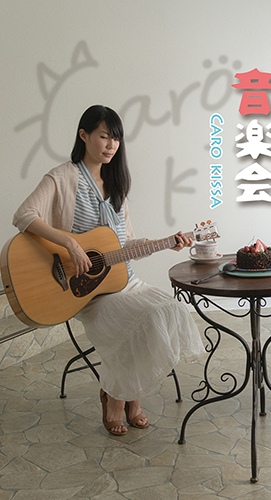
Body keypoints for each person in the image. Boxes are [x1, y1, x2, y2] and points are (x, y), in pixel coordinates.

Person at [12, 105, 205, 436]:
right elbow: (23, 215)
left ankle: (128, 393)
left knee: (170, 309)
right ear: (84, 135)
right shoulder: (62, 177)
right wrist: (71, 244)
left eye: (116, 138)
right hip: (86, 291)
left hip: (124, 280)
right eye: (104, 136)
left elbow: (124, 243)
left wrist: (163, 243)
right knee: (143, 318)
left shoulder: (117, 185)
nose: (111, 145)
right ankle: (118, 398)